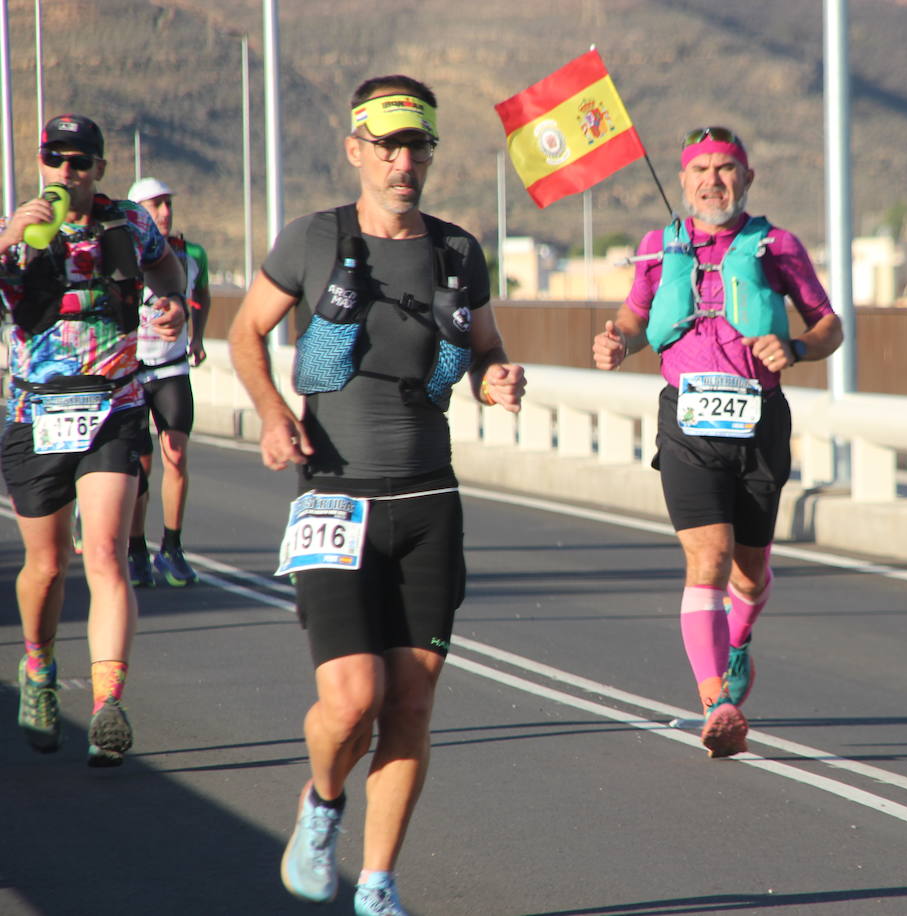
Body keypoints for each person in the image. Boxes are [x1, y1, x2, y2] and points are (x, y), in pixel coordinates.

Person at [228, 75, 525, 916]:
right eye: (388, 145)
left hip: (430, 500)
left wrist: (496, 378)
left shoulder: (458, 252)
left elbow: (482, 346)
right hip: (335, 497)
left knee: (411, 703)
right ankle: (322, 806)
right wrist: (274, 412)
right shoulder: (312, 239)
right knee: (351, 698)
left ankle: (380, 882)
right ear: (356, 148)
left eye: (418, 145)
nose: (404, 161)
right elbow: (245, 331)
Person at [592, 126, 842, 758]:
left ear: (747, 179)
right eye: (700, 169)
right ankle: (716, 702)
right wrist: (619, 340)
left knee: (750, 572)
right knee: (707, 558)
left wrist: (799, 347)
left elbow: (828, 325)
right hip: (687, 422)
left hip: (760, 420)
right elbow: (636, 316)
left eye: (725, 168)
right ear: (682, 182)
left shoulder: (777, 246)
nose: (712, 180)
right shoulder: (658, 248)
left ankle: (738, 646)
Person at [0, 114, 187, 766]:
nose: (68, 173)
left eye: (81, 162)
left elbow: (172, 274)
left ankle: (109, 702)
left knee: (104, 551)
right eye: (57, 160)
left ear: (100, 169)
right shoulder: (15, 229)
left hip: (114, 406)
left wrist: (174, 303)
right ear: (43, 163)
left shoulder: (130, 224)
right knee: (48, 567)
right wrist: (8, 243)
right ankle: (39, 667)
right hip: (36, 415)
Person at [125, 176, 212, 588]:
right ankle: (136, 550)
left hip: (172, 368)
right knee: (139, 466)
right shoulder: (120, 250)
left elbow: (204, 293)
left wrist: (197, 336)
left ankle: (172, 548)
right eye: (155, 205)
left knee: (176, 455)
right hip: (133, 372)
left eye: (168, 204)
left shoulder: (190, 253)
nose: (164, 212)